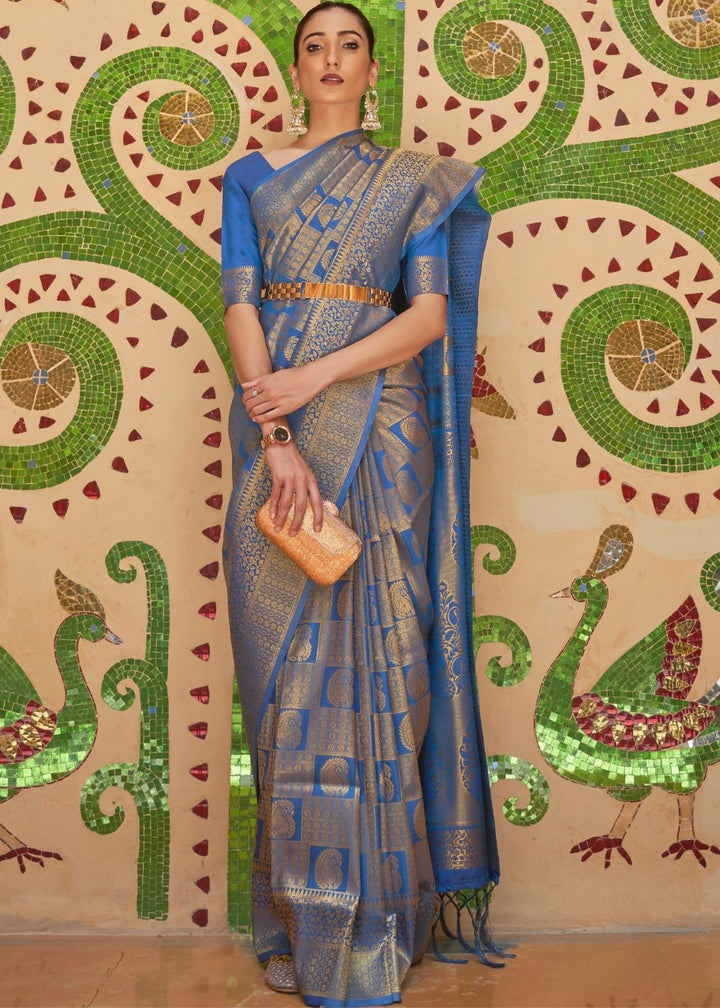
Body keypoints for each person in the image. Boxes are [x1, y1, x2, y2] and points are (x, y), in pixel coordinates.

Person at [221, 4, 500, 1004]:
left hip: (383, 427)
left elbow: (426, 316)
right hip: (278, 433)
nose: (332, 58)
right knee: (286, 682)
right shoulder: (252, 175)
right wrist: (278, 433)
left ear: (372, 67)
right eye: (314, 45)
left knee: (392, 661)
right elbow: (241, 302)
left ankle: (380, 923)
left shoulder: (415, 179)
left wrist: (314, 378)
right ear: (295, 68)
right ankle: (303, 920)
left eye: (349, 44)